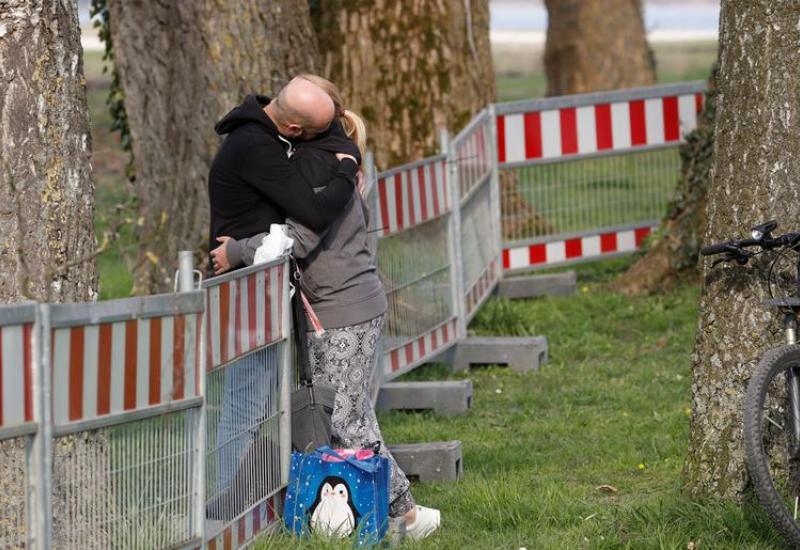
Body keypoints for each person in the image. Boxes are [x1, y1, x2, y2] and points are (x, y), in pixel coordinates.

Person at [210, 74, 441, 540]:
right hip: (347, 306)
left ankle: (409, 517)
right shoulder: (333, 159)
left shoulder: (319, 168)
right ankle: (392, 514)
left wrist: (235, 251)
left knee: (344, 420)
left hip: (341, 311)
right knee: (350, 416)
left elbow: (300, 236)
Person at [206, 76, 362, 519]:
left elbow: (332, 131)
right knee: (246, 400)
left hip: (268, 282)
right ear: (294, 130)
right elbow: (313, 212)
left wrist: (345, 147)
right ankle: (232, 510)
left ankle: (254, 500)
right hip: (249, 288)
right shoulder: (255, 147)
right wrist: (348, 166)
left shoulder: (274, 126)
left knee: (259, 399)